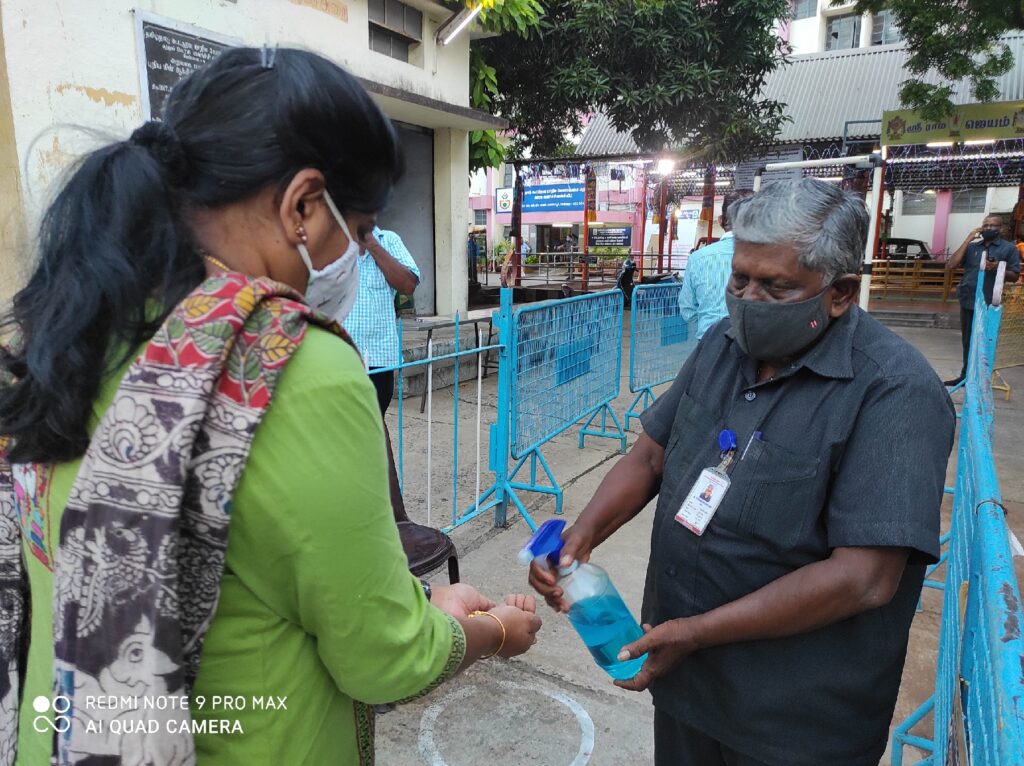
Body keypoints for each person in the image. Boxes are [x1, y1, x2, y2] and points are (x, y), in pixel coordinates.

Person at [0, 48, 541, 766]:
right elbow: (382, 657)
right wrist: (491, 631)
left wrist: (418, 611)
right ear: (303, 206)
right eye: (365, 230)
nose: (363, 252)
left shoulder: (74, 326)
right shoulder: (293, 365)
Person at [530, 178, 955, 766]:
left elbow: (864, 578)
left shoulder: (894, 393)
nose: (749, 300)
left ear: (841, 293)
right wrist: (581, 538)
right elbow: (650, 455)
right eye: (740, 279)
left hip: (794, 718)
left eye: (776, 288)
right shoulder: (720, 346)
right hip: (686, 682)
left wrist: (696, 631)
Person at [340, 225, 419, 415]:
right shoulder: (333, 244)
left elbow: (408, 285)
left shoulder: (389, 240)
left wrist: (372, 244)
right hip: (339, 357)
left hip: (377, 358)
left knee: (374, 423)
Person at [943, 213, 1021, 386]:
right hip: (968, 300)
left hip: (988, 302)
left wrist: (997, 268)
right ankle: (965, 376)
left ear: (1000, 228)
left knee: (984, 341)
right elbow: (951, 264)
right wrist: (968, 239)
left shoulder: (1008, 249)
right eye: (985, 225)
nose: (988, 229)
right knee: (968, 340)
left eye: (992, 226)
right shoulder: (972, 248)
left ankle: (980, 377)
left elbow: (1015, 275)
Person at [679, 192, 750, 340]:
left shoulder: (697, 258)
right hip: (754, 347)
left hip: (708, 343)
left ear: (720, 220)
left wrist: (709, 327)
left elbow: (687, 309)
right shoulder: (768, 259)